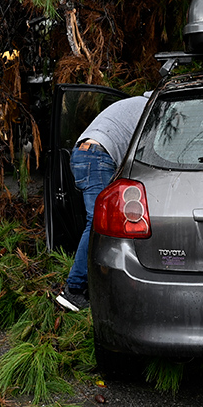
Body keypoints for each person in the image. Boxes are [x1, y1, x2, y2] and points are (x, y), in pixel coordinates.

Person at [55, 94, 150, 312]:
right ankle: (74, 290)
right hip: (97, 157)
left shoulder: (133, 104)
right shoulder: (151, 110)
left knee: (100, 220)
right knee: (97, 222)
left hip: (84, 154)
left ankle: (92, 281)